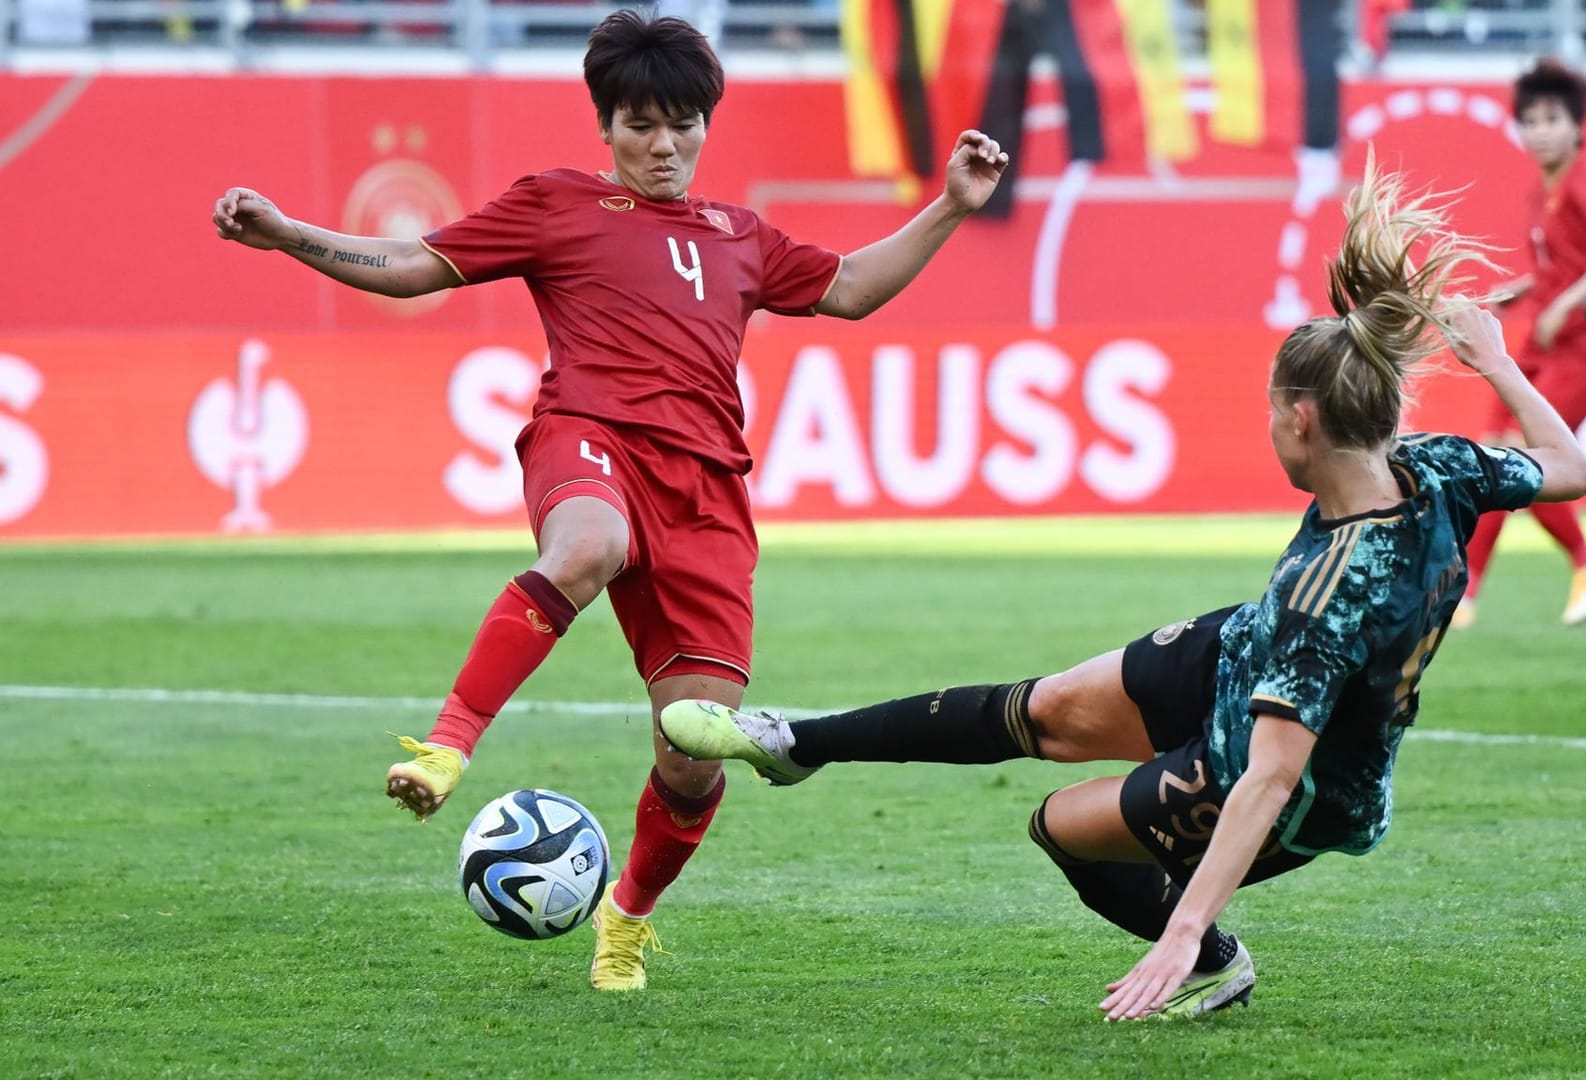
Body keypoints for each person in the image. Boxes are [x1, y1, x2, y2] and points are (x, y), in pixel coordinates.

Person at [660, 155, 1586, 1021]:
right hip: (1243, 650)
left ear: (1304, 420)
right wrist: (1499, 363)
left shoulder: (1329, 594)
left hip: (1305, 779)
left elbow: (1269, 776)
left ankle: (1215, 962)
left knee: (1060, 827)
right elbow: (1571, 467)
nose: (1270, 428)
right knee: (1045, 709)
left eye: (1272, 413)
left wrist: (1186, 925)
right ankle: (798, 743)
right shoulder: (1438, 467)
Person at [209, 12, 1008, 991]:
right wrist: (291, 235)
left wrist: (952, 206)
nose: (662, 146)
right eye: (640, 126)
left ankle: (625, 918)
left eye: (681, 125)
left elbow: (847, 288)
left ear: (706, 124)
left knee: (694, 753)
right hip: (589, 439)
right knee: (584, 547)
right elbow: (417, 266)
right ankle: (448, 743)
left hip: (706, 496)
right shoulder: (557, 204)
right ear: (606, 127)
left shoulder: (738, 236)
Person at [1455, 59, 1586, 631]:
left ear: (1577, 126)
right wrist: (1526, 289)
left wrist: (1562, 304)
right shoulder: (1543, 191)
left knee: (1531, 463)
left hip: (1582, 345)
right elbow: (1563, 263)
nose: (1541, 131)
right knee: (1493, 455)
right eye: (1530, 120)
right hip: (1539, 340)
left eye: (1553, 118)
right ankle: (1465, 591)